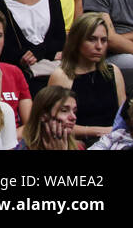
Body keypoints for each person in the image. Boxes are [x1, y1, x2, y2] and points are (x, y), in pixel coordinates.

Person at [48, 12, 127, 144]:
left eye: (104, 40)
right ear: (76, 42)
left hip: (114, 140)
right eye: (92, 39)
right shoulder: (62, 76)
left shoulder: (113, 71)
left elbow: (124, 117)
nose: (99, 46)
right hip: (77, 142)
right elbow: (54, 124)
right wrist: (97, 131)